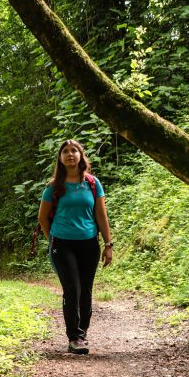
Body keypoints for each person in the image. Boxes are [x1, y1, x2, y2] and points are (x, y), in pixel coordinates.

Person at [38, 139, 113, 355]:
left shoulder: (92, 183)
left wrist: (108, 244)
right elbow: (43, 218)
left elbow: (101, 214)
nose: (70, 154)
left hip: (89, 243)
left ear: (81, 156)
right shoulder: (54, 187)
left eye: (74, 151)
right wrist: (52, 239)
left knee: (85, 290)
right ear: (60, 158)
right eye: (65, 152)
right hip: (62, 244)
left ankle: (82, 333)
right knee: (72, 288)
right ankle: (74, 337)